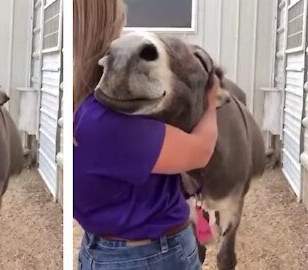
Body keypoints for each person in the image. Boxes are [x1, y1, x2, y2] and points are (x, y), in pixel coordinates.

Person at [73, 0, 219, 269]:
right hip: (154, 254)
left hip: (97, 249)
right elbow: (201, 151)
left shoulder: (83, 110)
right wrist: (212, 102)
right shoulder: (108, 121)